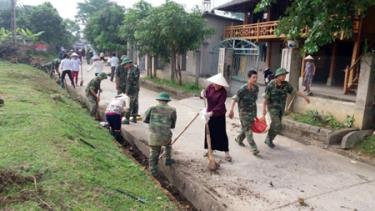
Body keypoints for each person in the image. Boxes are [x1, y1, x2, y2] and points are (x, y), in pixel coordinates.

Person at [261, 67, 310, 148]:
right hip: (272, 108)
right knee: (277, 124)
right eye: (283, 75)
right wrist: (264, 109)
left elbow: (295, 92)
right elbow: (265, 98)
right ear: (278, 75)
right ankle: (269, 139)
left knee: (277, 126)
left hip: (281, 108)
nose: (284, 76)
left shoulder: (286, 84)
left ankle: (269, 139)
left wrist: (305, 97)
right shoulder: (271, 84)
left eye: (285, 75)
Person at [144, 92, 177, 176]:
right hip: (165, 135)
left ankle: (153, 171)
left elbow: (145, 119)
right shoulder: (172, 110)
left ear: (158, 100)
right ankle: (167, 159)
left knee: (154, 152)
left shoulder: (152, 108)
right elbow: (173, 125)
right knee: (168, 144)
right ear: (167, 101)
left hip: (154, 135)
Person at [201, 73, 232, 161]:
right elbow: (205, 95)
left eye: (219, 85)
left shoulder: (223, 92)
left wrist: (212, 112)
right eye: (216, 84)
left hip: (219, 115)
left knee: (221, 134)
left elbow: (220, 105)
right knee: (209, 132)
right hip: (209, 113)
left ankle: (226, 153)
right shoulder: (210, 87)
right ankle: (210, 150)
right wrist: (202, 94)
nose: (216, 86)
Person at [228, 70, 260, 155]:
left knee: (246, 128)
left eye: (256, 77)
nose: (255, 79)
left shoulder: (256, 89)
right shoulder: (243, 89)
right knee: (248, 130)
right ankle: (254, 148)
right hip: (243, 112)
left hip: (252, 112)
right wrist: (231, 110)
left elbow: (254, 102)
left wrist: (255, 114)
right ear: (249, 78)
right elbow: (234, 99)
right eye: (253, 77)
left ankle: (239, 139)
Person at [123, 57, 140, 124]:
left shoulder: (134, 69)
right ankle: (133, 117)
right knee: (134, 103)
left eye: (125, 64)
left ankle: (127, 118)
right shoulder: (130, 69)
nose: (125, 66)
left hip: (132, 89)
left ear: (129, 63)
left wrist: (127, 91)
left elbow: (131, 81)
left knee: (130, 103)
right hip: (133, 89)